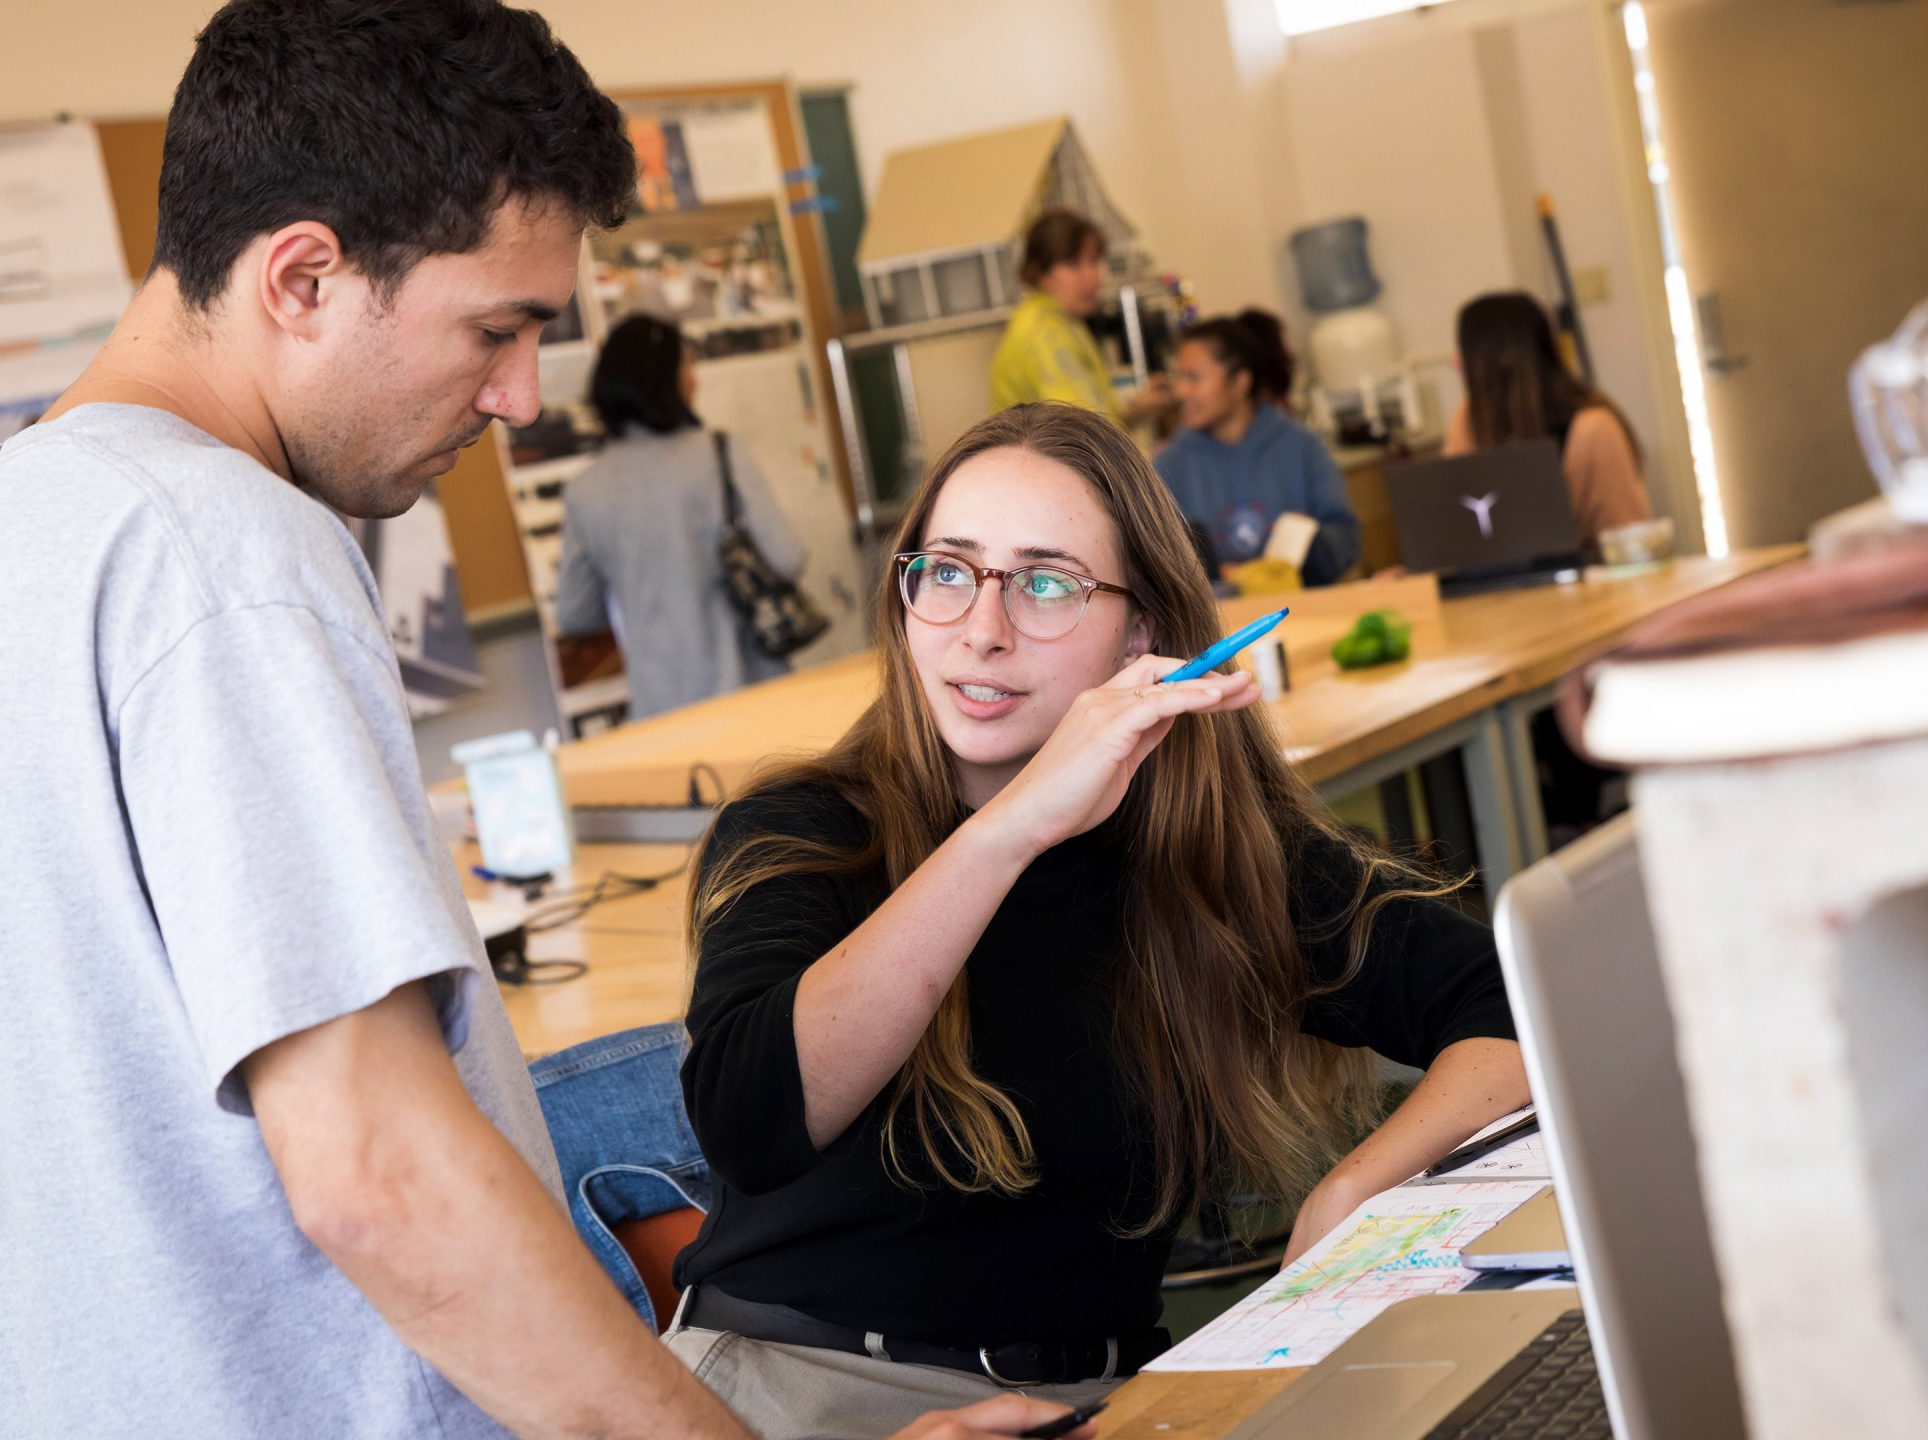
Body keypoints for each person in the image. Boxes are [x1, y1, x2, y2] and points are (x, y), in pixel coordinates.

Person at [0, 4, 1077, 1438]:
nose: (520, 396)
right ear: (302, 276)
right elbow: (379, 1170)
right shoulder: (225, 552)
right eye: (498, 330)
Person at [664, 401, 1531, 1438]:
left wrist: (1355, 1197)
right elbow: (751, 1116)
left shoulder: (1213, 849)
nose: (982, 629)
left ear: (1145, 633)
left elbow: (1520, 1005)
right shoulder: (802, 828)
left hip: (1100, 1406)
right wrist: (1013, 827)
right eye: (948, 570)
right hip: (795, 1384)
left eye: (1045, 584)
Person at [557, 313, 806, 720]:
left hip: (661, 708)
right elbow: (787, 558)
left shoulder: (586, 491)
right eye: (687, 364)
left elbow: (574, 613)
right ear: (665, 379)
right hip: (753, 693)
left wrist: (642, 595)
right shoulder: (722, 452)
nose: (695, 379)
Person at [1155, 309, 1360, 586]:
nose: (1181, 392)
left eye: (1194, 378)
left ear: (1240, 382)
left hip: (1301, 614)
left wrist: (1308, 548)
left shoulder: (1302, 448)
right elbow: (1152, 559)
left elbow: (1346, 538)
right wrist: (1210, 572)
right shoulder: (1169, 465)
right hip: (1215, 623)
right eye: (1179, 377)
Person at [1443, 290, 1653, 546]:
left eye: (1465, 350)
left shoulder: (1593, 428)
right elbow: (1458, 524)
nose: (1456, 362)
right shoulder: (1468, 419)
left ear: (1503, 355)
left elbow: (1633, 540)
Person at [988, 209, 1173, 425]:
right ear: (1041, 273)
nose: (1092, 276)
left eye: (1094, 262)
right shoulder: (1045, 334)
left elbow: (1094, 419)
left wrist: (1142, 405)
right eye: (1073, 263)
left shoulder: (1062, 321)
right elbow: (1085, 432)